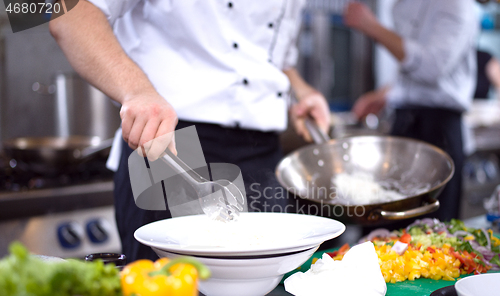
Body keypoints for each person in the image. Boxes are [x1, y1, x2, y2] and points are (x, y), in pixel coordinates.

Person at [49, 1, 331, 262]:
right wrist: (136, 91)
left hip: (262, 153)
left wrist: (299, 88)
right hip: (169, 141)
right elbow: (70, 13)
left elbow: (267, 53)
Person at [343, 0, 479, 222]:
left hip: (439, 129)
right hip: (404, 121)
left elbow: (432, 67)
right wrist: (386, 94)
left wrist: (371, 25)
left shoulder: (456, 4)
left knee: (433, 229)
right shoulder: (402, 5)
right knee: (389, 220)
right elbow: (412, 74)